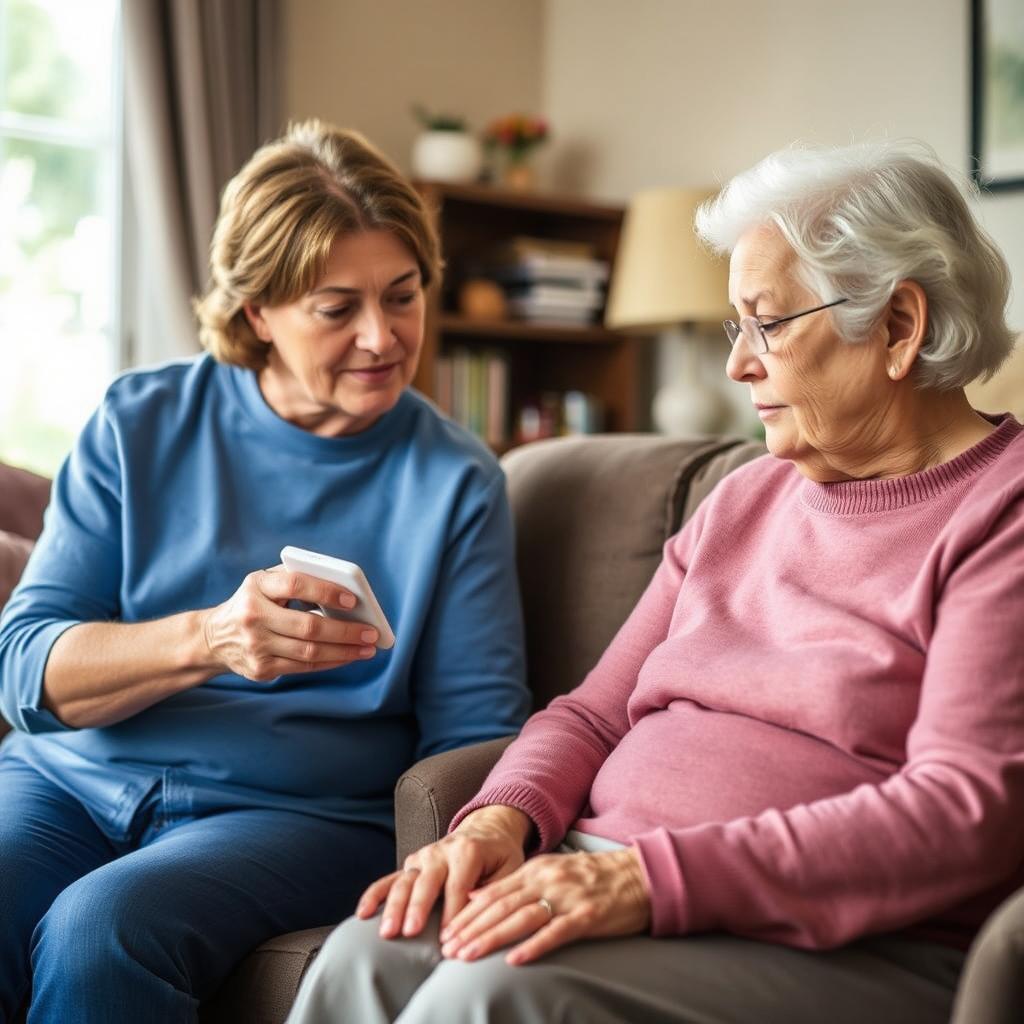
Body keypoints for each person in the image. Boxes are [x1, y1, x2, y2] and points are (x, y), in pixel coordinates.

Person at [285, 140, 1024, 1024]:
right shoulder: (745, 497)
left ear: (899, 326)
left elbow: (961, 812)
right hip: (613, 875)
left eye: (769, 323)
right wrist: (497, 820)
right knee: (363, 958)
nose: (738, 365)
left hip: (844, 936)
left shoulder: (1001, 513)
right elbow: (594, 713)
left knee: (495, 995)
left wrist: (644, 879)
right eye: (735, 327)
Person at [0, 120, 530, 1023]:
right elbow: (25, 670)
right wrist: (211, 637)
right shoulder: (140, 423)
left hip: (301, 816)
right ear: (258, 314)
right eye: (337, 308)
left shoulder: (455, 481)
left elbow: (475, 732)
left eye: (403, 296)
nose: (383, 336)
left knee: (103, 931)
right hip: (69, 782)